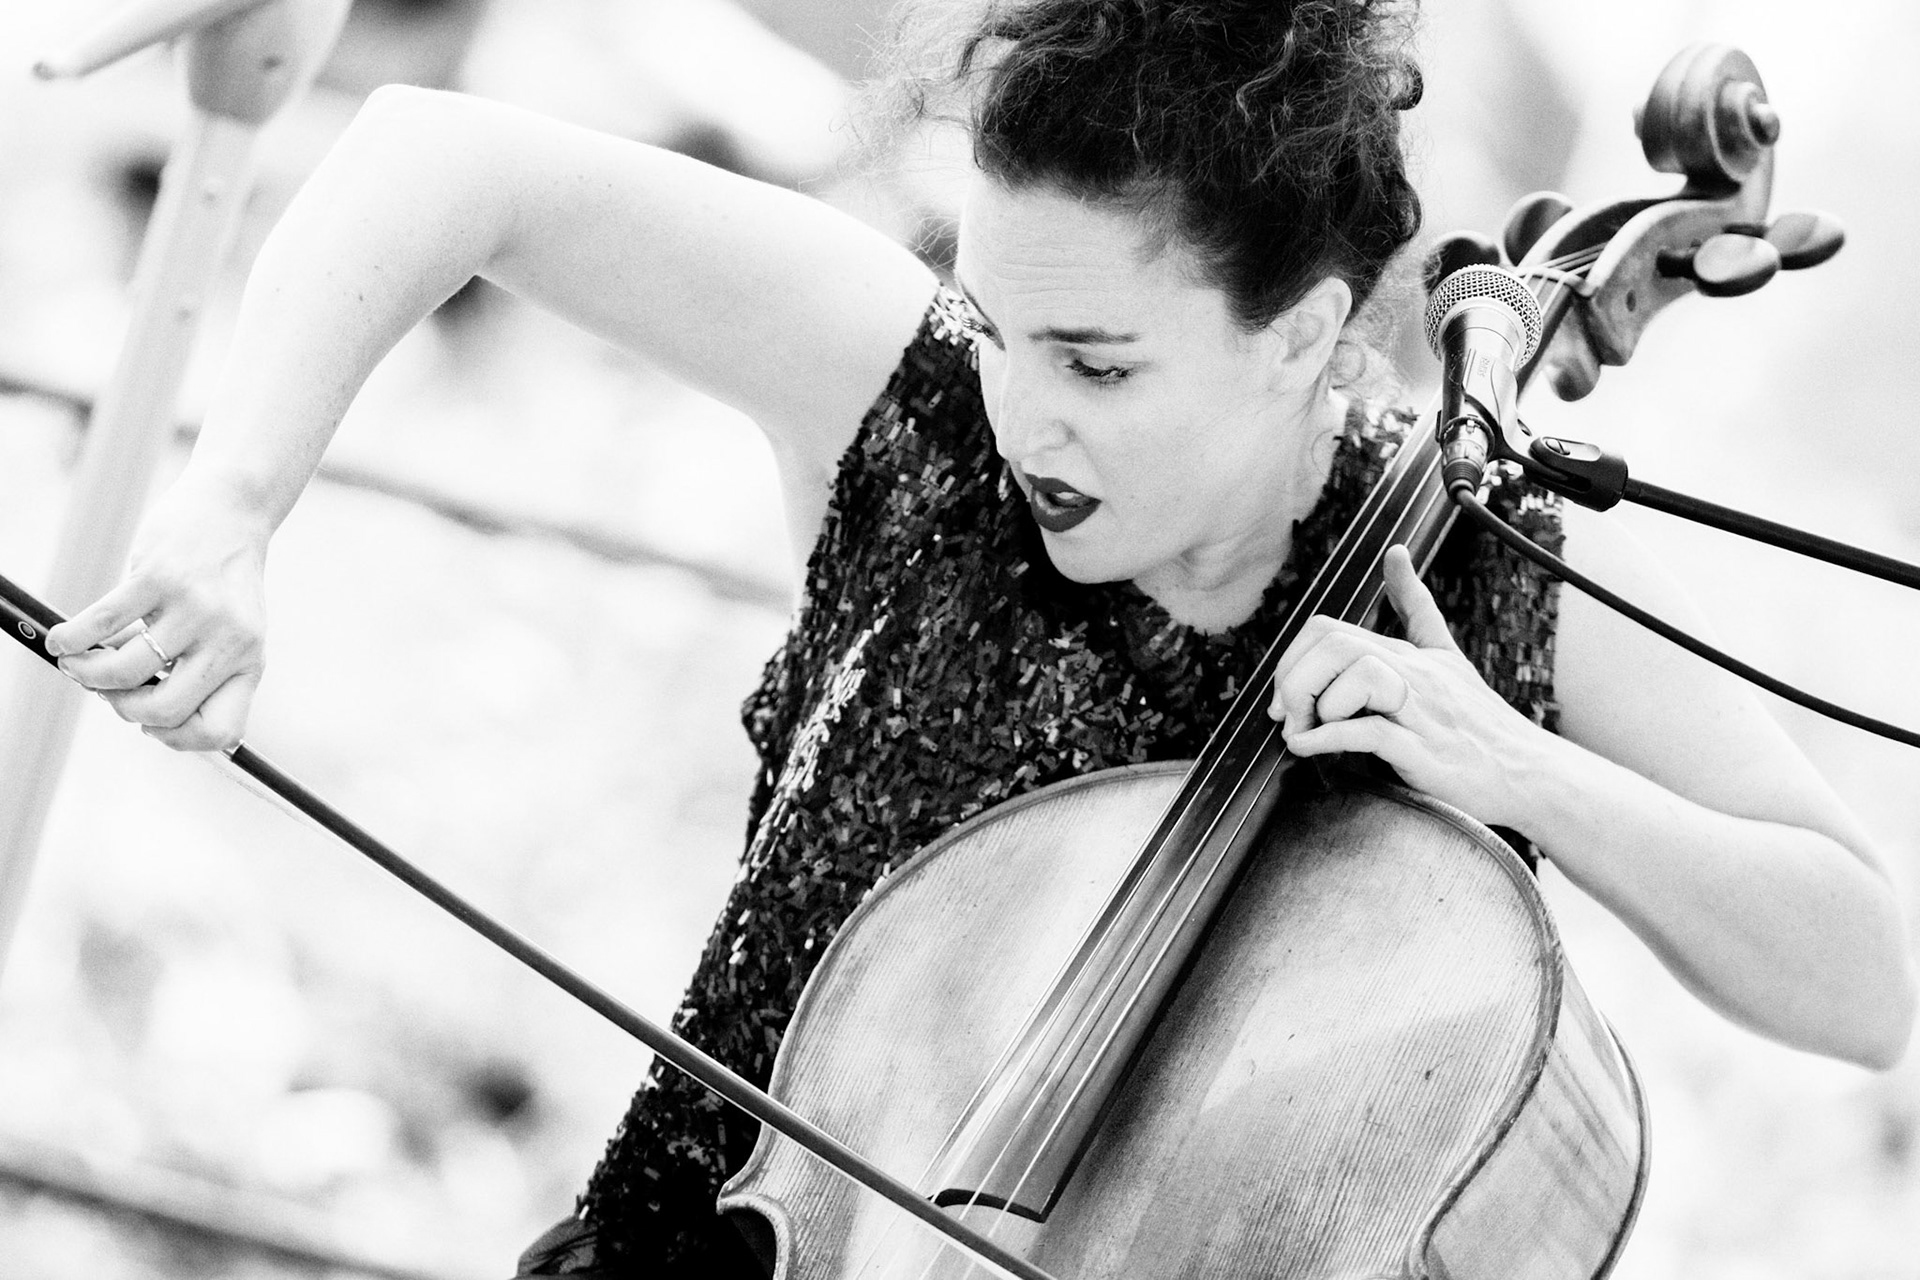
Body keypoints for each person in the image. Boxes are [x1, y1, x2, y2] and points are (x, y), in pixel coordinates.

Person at [43, 0, 1917, 1275]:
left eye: (1099, 364)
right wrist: (232, 508)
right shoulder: (918, 405)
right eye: (1004, 326)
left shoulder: (1485, 590)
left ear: (1302, 337)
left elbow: (1864, 978)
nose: (1025, 414)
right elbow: (438, 156)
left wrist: (1520, 773)